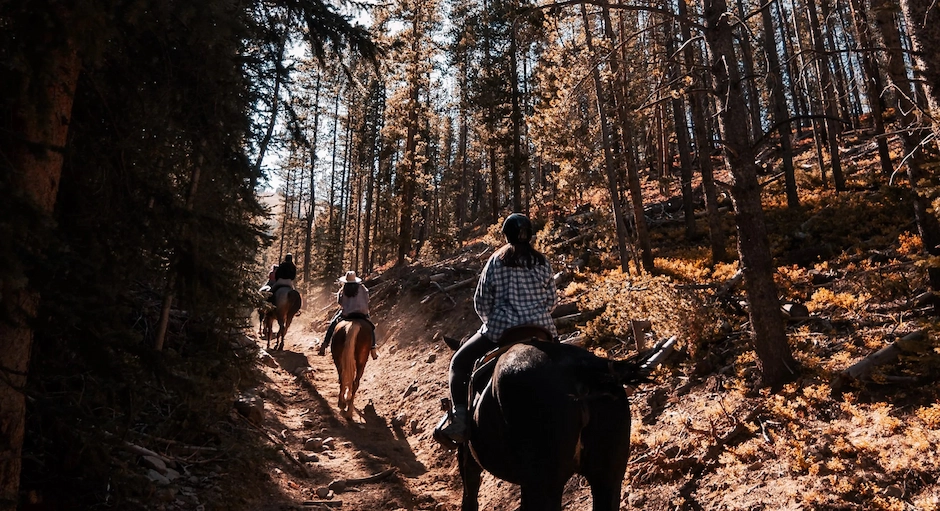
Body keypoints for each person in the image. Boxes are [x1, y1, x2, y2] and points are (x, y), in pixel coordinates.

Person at [439, 213, 558, 443]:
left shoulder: (496, 260)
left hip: (502, 330)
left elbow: (481, 302)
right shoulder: (542, 262)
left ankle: (461, 420)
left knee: (459, 363)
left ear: (506, 235)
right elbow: (552, 301)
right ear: (530, 235)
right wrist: (536, 315)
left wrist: (491, 322)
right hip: (541, 330)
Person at [317, 271, 378, 360]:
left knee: (332, 324)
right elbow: (367, 298)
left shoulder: (344, 289)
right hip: (362, 313)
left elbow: (339, 301)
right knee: (371, 328)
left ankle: (324, 345)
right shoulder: (362, 288)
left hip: (347, 314)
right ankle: (373, 349)